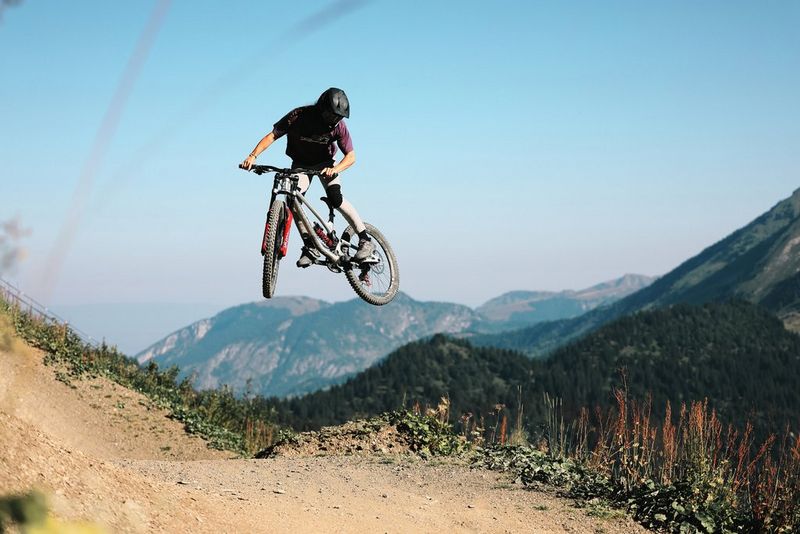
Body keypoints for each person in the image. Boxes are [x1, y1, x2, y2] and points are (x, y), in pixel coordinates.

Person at [240, 87, 374, 267]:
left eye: (339, 117)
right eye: (332, 116)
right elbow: (273, 135)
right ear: (321, 109)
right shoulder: (298, 116)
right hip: (301, 165)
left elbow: (351, 156)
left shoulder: (339, 127)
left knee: (336, 198)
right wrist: (252, 156)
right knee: (294, 201)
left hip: (326, 164)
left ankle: (365, 240)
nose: (335, 120)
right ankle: (311, 245)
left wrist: (336, 169)